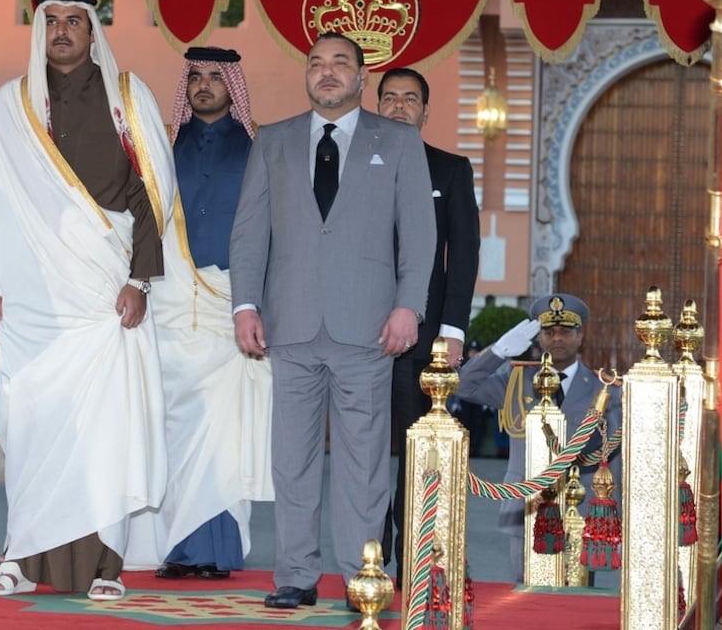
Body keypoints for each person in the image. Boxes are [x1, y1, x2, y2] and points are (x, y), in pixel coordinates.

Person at [0, 0, 175, 600]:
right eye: (51, 21)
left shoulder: (127, 99)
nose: (61, 31)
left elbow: (151, 196)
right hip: (31, 299)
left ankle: (107, 568)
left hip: (104, 292)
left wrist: (139, 280)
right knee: (30, 426)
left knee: (102, 428)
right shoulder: (12, 105)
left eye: (73, 22)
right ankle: (19, 560)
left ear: (92, 31)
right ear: (39, 31)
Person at [229, 32, 435, 609]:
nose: (327, 72)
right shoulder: (272, 140)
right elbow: (249, 233)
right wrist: (245, 304)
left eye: (340, 63)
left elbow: (420, 234)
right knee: (290, 461)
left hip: (368, 326)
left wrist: (408, 306)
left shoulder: (396, 141)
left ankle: (361, 574)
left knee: (364, 463)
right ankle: (294, 575)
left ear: (362, 76)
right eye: (317, 63)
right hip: (287, 325)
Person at [150, 46, 273, 582]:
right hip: (169, 307)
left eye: (216, 78)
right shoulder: (162, 147)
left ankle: (217, 552)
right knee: (174, 430)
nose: (204, 85)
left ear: (233, 86)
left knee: (222, 431)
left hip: (231, 306)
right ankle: (177, 549)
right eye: (195, 77)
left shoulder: (260, 148)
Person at [375, 67, 480, 580]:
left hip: (422, 338)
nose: (398, 106)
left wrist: (453, 331)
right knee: (363, 453)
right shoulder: (352, 166)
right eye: (389, 98)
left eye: (409, 99)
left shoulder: (450, 169)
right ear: (376, 105)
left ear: (425, 110)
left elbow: (462, 254)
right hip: (355, 336)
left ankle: (411, 561)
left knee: (413, 455)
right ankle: (367, 558)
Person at [454, 293, 623, 583]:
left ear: (580, 336)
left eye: (566, 331)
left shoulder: (604, 388)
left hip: (578, 505)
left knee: (576, 598)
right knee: (525, 599)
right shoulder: (515, 379)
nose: (557, 338)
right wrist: (500, 350)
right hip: (526, 503)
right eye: (549, 332)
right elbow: (462, 386)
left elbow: (612, 451)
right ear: (539, 339)